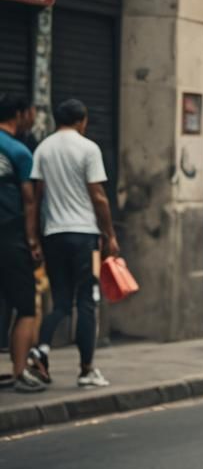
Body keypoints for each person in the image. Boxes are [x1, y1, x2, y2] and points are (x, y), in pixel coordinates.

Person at [27, 98, 118, 389]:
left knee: (62, 302)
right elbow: (99, 196)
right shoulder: (88, 148)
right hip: (83, 236)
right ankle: (86, 369)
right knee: (88, 300)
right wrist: (110, 234)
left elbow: (36, 198)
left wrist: (35, 237)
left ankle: (41, 348)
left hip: (53, 234)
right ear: (82, 120)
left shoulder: (43, 148)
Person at [0, 95, 44, 392]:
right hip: (11, 237)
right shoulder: (19, 151)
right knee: (26, 307)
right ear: (20, 114)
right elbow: (30, 202)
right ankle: (18, 373)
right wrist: (32, 241)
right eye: (32, 112)